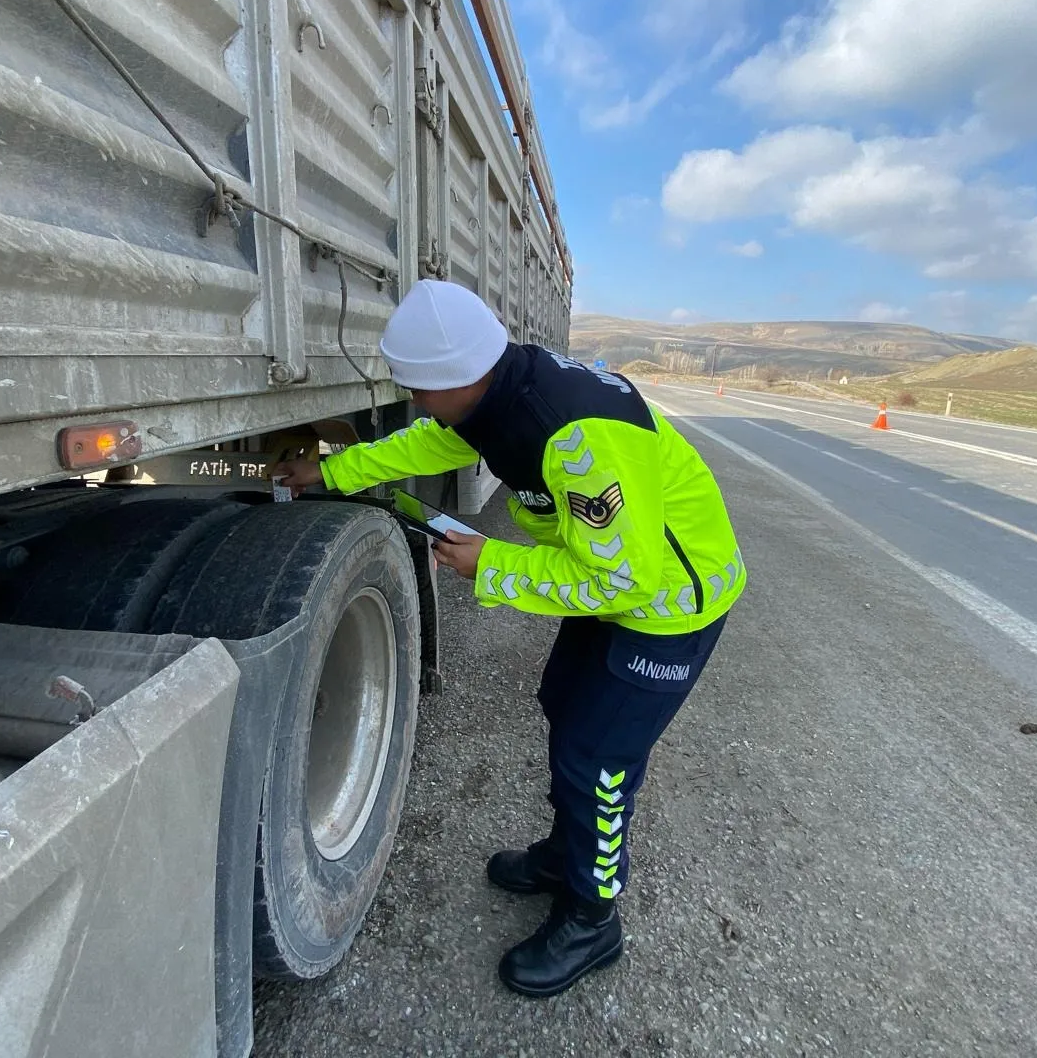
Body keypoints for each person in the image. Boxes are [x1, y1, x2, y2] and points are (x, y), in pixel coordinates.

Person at [275, 279, 746, 998]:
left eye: (419, 389)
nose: (417, 402)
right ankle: (567, 855)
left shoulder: (577, 439)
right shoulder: (498, 391)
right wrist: (332, 470)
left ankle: (593, 920)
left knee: (600, 760)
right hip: (612, 577)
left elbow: (629, 581)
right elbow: (429, 441)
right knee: (565, 709)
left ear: (460, 376)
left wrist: (489, 563)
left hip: (668, 603)